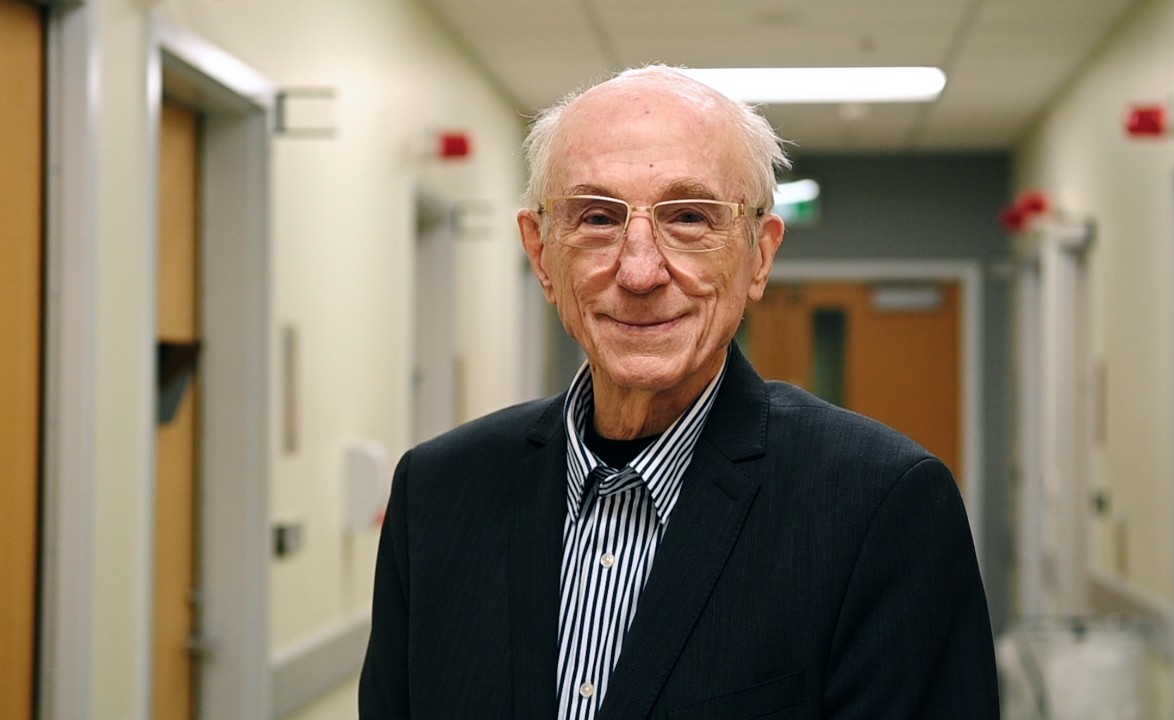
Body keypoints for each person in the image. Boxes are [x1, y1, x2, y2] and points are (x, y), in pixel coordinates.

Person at [359, 65, 999, 719]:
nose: (640, 271)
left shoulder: (880, 506)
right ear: (542, 254)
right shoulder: (436, 494)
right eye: (598, 218)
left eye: (690, 217)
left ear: (759, 256)